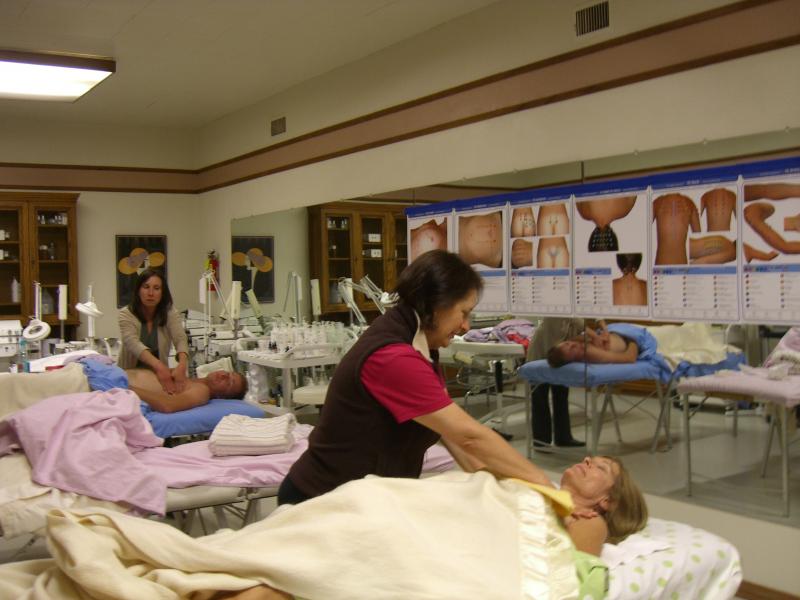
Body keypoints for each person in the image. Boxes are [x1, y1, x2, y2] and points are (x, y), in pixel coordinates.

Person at [279, 250, 557, 505]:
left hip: (366, 498)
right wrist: (547, 487)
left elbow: (454, 435)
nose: (465, 325)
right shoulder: (394, 358)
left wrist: (498, 487)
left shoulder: (422, 344)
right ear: (437, 304)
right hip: (318, 500)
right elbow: (470, 436)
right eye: (464, 313)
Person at [221, 456, 647, 599]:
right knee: (369, 501)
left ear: (607, 501)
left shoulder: (589, 522)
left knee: (370, 521)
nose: (588, 461)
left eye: (601, 467)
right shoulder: (543, 492)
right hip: (432, 511)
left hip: (449, 541)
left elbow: (568, 572)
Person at [118, 268, 190, 394]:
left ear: (162, 292)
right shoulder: (126, 313)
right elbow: (132, 343)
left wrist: (182, 365)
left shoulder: (170, 313)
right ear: (138, 290)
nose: (151, 293)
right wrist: (159, 366)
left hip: (157, 376)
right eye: (146, 287)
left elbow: (180, 338)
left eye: (156, 288)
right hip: (130, 374)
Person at [527, 317, 587, 449]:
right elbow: (579, 323)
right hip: (540, 355)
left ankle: (563, 438)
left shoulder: (573, 319)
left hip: (559, 357)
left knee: (561, 396)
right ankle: (541, 441)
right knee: (540, 398)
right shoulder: (556, 316)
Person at [127, 368, 246, 413]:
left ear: (221, 397)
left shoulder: (202, 391)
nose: (224, 375)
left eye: (229, 382)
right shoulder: (189, 380)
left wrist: (126, 387)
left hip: (122, 389)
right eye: (228, 373)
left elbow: (167, 405)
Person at [546, 321, 639, 368]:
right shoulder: (591, 353)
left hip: (616, 329)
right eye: (572, 349)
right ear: (571, 360)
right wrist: (633, 340)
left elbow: (591, 334)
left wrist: (603, 333)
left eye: (567, 343)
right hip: (631, 337)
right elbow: (630, 358)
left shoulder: (575, 341)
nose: (573, 344)